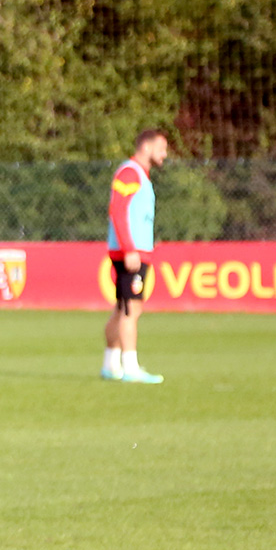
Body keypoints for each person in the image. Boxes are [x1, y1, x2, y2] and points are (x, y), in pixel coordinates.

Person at [103, 129, 169, 384]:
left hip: (135, 251)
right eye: (161, 148)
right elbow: (117, 211)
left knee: (123, 307)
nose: (164, 154)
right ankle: (129, 367)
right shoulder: (130, 172)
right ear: (146, 147)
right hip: (129, 252)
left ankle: (111, 363)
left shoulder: (139, 174)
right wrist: (130, 248)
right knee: (132, 309)